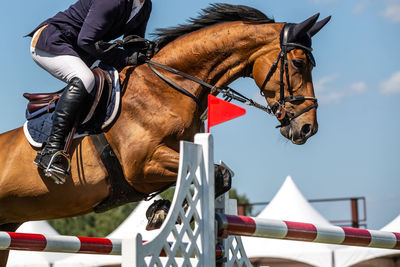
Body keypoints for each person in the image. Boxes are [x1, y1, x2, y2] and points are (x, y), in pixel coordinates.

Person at [27, 0, 153, 180]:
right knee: (85, 78)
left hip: (83, 50)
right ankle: (50, 151)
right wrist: (125, 58)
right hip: (53, 41)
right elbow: (86, 39)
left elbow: (133, 43)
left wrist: (149, 55)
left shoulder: (144, 6)